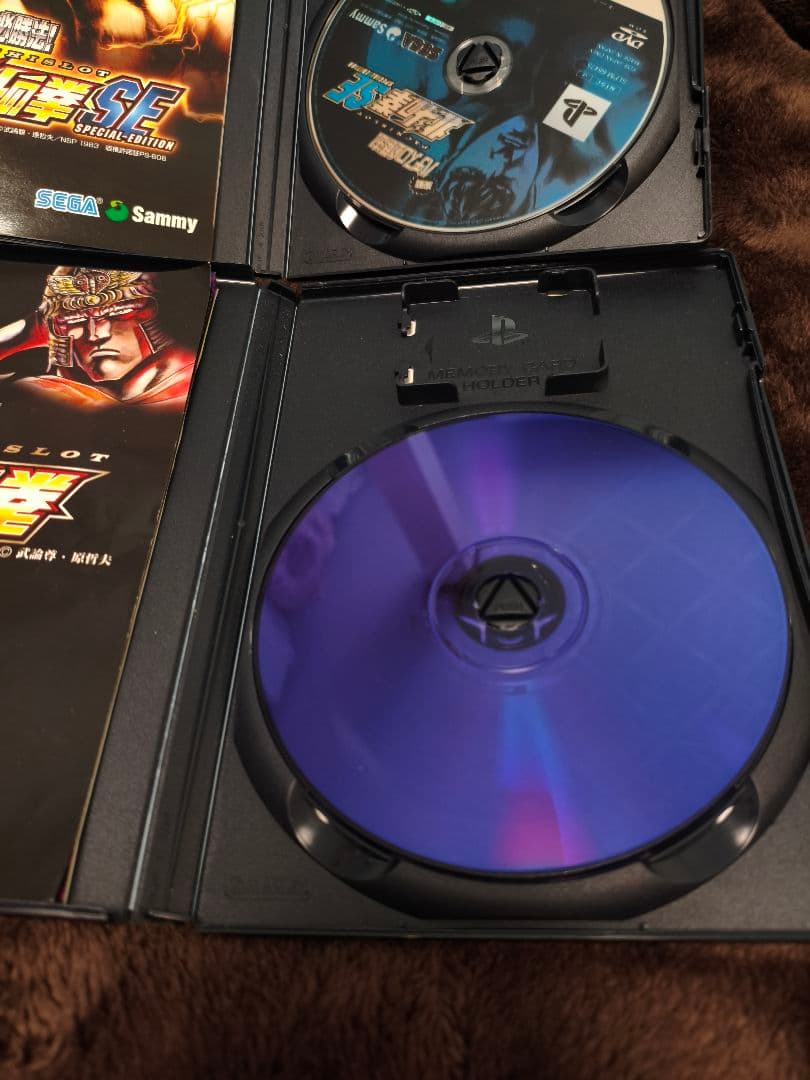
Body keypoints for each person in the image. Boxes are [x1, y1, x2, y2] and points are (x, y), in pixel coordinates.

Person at [0, 266, 196, 408]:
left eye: (115, 314)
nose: (95, 335)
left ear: (149, 312)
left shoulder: (192, 386)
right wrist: (42, 324)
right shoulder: (54, 389)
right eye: (76, 320)